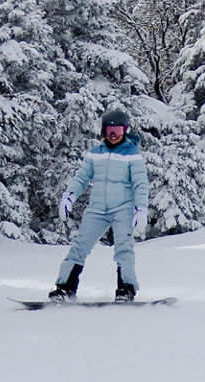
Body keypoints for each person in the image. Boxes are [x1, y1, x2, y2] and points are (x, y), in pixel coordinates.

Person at [52, 110, 151, 302]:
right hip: (97, 208)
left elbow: (140, 184)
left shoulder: (132, 155)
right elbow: (82, 177)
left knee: (124, 248)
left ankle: (126, 289)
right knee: (79, 247)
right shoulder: (95, 153)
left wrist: (141, 209)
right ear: (103, 131)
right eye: (109, 131)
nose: (113, 135)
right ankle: (65, 288)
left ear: (125, 131)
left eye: (117, 131)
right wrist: (69, 197)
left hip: (123, 207)